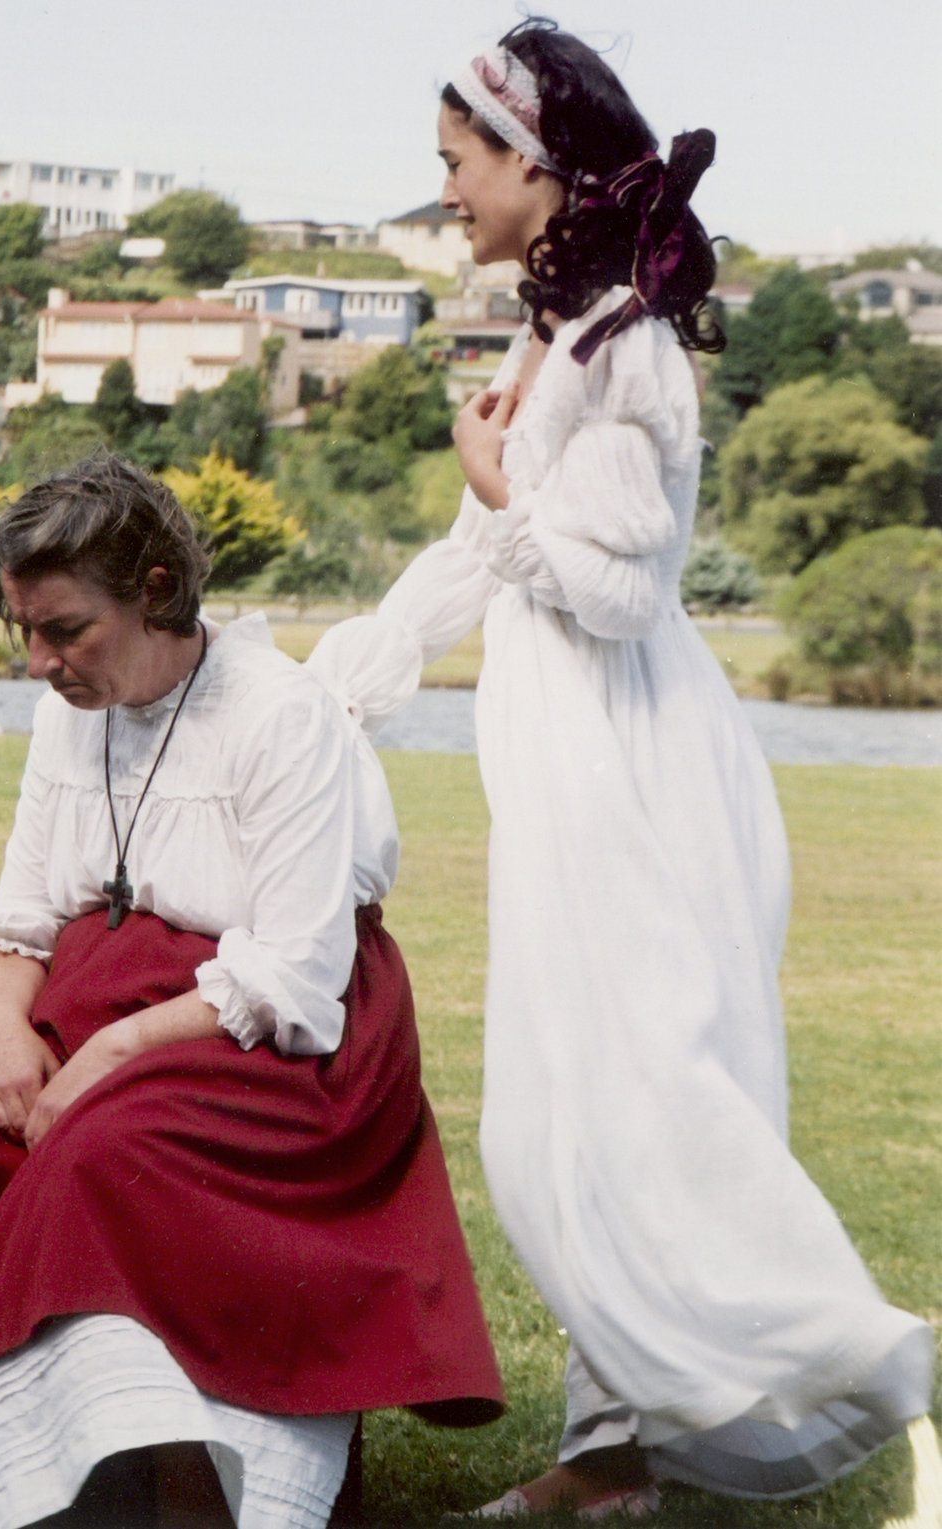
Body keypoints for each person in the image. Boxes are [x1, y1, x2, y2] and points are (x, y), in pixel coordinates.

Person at [305, 18, 934, 1518]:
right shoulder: (556, 332)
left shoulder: (628, 352)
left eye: (459, 163)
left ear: (535, 162)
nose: (447, 190)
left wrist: (504, 488)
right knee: (572, 1110)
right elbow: (481, 558)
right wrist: (340, 692)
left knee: (628, 1105)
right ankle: (611, 1461)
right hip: (565, 764)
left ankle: (881, 1364)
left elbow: (621, 592)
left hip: (634, 769)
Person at [0, 455, 504, 1529]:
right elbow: (25, 905)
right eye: (25, 628)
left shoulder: (281, 715)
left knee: (107, 1155)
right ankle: (16, 1485)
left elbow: (295, 968)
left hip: (273, 1033)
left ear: (155, 589)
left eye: (63, 629)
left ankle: (197, 1492)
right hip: (96, 996)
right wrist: (6, 1024)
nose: (38, 660)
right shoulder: (73, 707)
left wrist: (103, 1059)